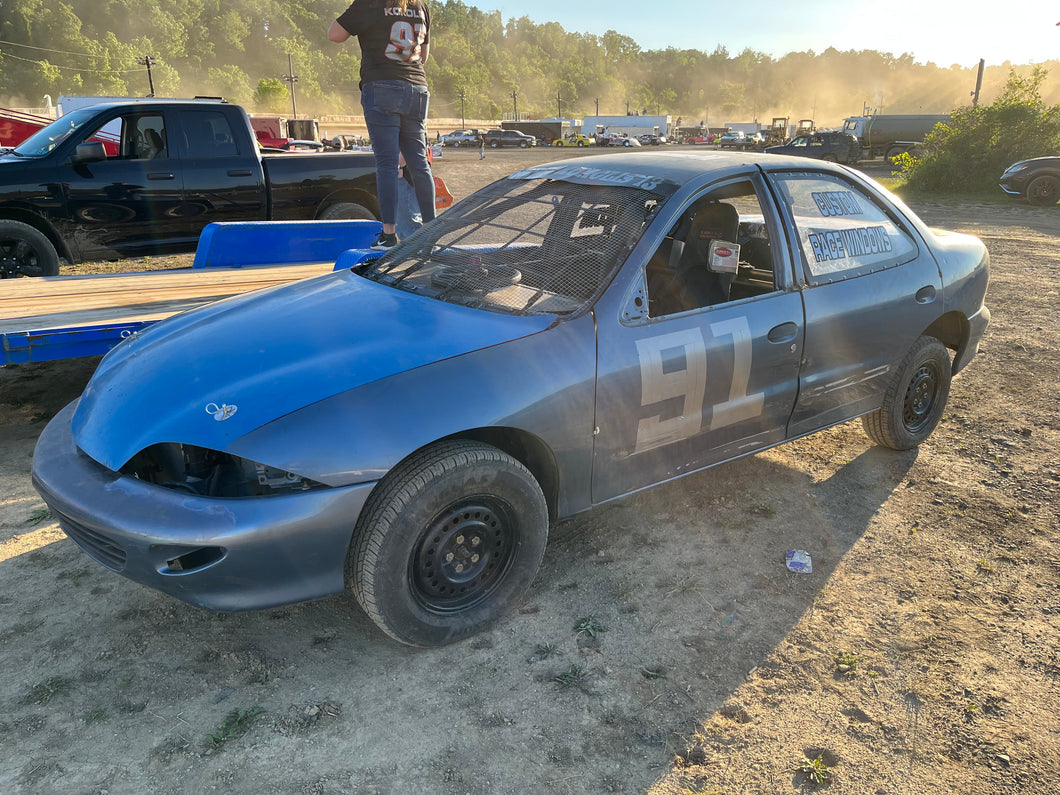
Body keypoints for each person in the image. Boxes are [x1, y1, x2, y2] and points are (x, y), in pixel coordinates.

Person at [328, 0, 436, 251]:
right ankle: (431, 234)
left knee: (387, 164)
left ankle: (388, 236)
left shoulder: (371, 2)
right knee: (420, 165)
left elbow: (334, 34)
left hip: (382, 86)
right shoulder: (421, 6)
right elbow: (424, 55)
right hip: (417, 88)